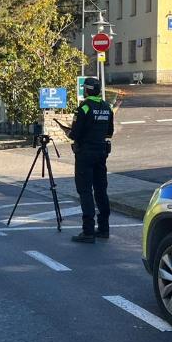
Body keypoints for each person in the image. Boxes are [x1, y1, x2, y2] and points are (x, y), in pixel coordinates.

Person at [67, 76, 113, 243]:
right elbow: (109, 132)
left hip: (85, 154)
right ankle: (103, 228)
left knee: (85, 190)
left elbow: (75, 133)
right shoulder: (107, 107)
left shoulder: (84, 108)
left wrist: (70, 134)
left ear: (86, 90)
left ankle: (88, 231)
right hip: (101, 153)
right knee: (101, 190)